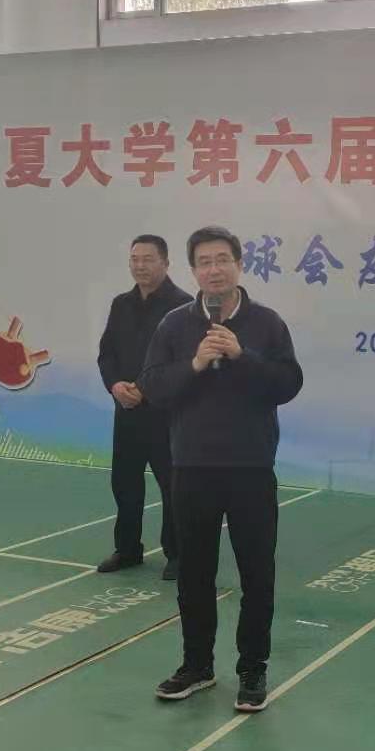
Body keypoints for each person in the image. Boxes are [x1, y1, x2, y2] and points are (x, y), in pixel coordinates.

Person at [140, 226, 304, 713]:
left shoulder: (267, 323)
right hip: (192, 467)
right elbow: (153, 386)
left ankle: (253, 668)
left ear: (239, 265)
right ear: (193, 271)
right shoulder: (174, 325)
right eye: (205, 262)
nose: (214, 270)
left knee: (257, 573)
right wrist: (194, 363)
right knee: (194, 573)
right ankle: (197, 665)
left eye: (222, 260)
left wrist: (240, 356)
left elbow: (288, 383)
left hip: (250, 467)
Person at [96, 235, 192, 580]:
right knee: (125, 483)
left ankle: (178, 554)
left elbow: (185, 363)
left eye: (148, 259)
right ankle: (128, 549)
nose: (140, 266)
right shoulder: (121, 304)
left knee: (172, 486)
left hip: (166, 414)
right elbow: (107, 354)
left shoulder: (184, 307)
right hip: (126, 411)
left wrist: (146, 390)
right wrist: (115, 386)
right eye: (135, 259)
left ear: (165, 263)